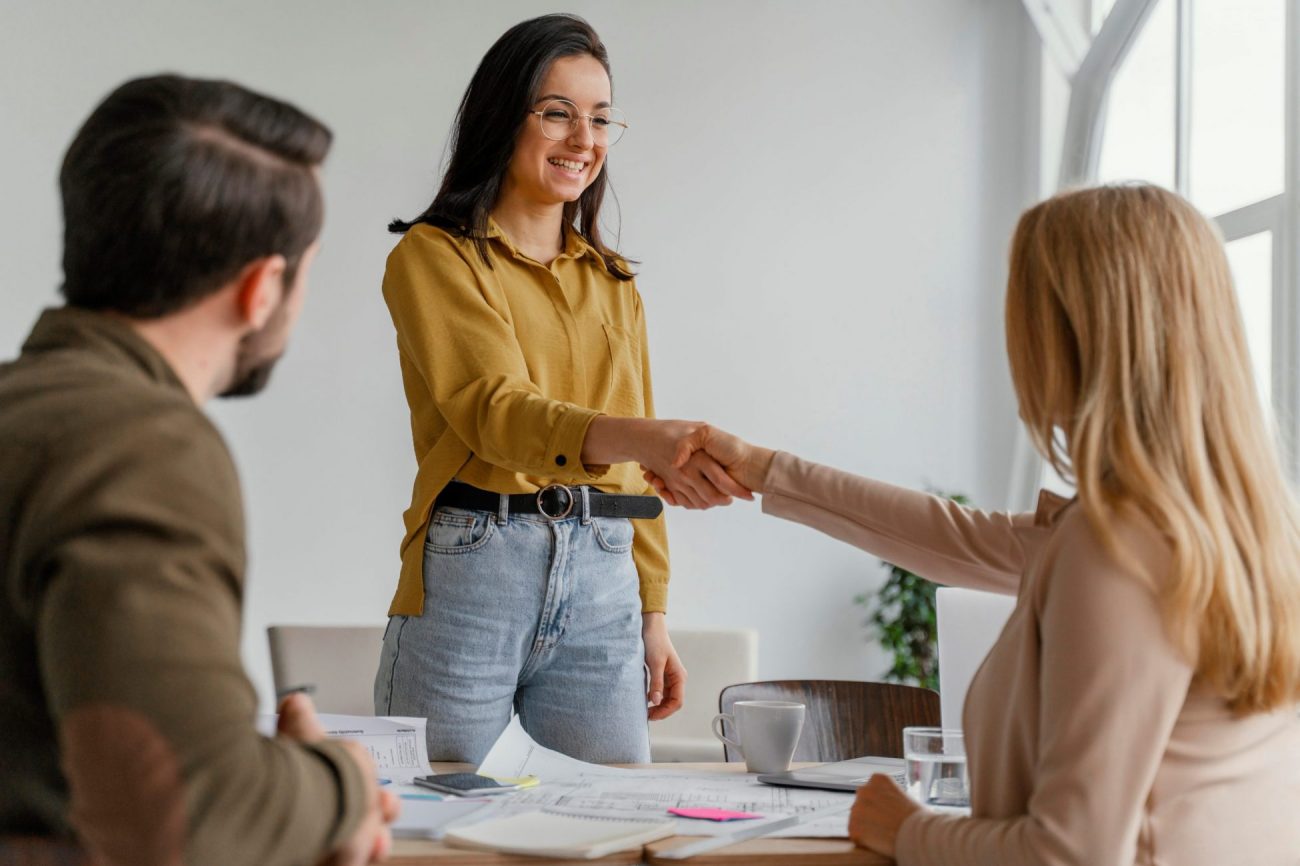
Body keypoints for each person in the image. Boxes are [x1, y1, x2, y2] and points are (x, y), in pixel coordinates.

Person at [653, 185, 1300, 864]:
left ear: (1070, 333)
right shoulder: (1241, 530)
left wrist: (905, 829)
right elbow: (955, 537)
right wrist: (763, 469)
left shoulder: (1117, 546)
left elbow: (1069, 852)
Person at [0, 75, 396, 866]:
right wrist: (342, 783)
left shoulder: (28, 413)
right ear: (262, 288)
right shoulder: (141, 445)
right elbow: (188, 819)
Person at [374, 13, 746, 764]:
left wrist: (653, 610)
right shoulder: (435, 256)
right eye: (557, 113)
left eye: (601, 119)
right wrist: (646, 438)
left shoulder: (613, 283)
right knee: (439, 810)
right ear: (502, 116)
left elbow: (641, 470)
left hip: (606, 571)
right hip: (476, 565)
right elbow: (495, 412)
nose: (584, 139)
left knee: (611, 815)